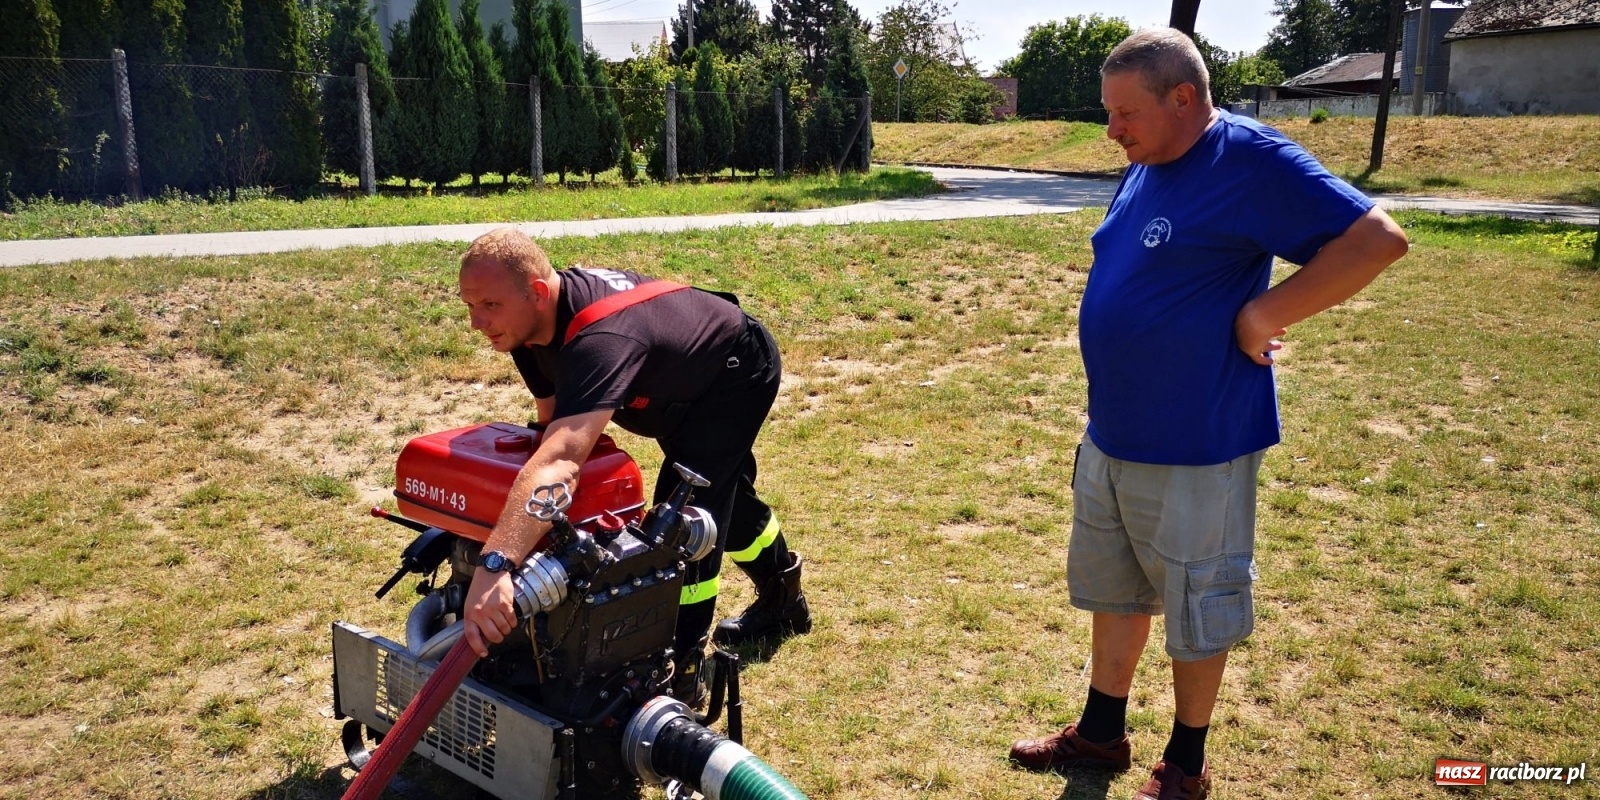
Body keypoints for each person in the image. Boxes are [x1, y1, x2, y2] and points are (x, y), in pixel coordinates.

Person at [1007, 28, 1408, 800]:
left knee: (1200, 605)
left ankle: (1185, 766)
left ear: (1184, 98)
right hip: (1114, 434)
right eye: (1108, 112)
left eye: (1125, 113)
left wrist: (1264, 314)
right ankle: (1101, 732)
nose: (1111, 130)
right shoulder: (1147, 162)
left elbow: (1377, 239)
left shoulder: (1249, 159)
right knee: (1116, 592)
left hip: (1197, 444)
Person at [454, 227, 812, 703]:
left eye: (489, 305)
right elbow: (551, 425)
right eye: (469, 305)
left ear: (537, 292)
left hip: (733, 369)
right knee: (727, 496)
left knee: (683, 520)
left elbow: (561, 460)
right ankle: (784, 598)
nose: (477, 322)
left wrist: (496, 563)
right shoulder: (524, 327)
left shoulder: (600, 336)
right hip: (671, 385)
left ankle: (680, 669)